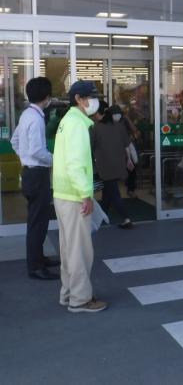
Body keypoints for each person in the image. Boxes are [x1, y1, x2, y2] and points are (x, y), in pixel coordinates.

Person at [53, 80, 107, 313]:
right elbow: (75, 164)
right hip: (75, 196)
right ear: (78, 99)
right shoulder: (76, 124)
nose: (94, 101)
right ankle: (81, 299)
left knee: (69, 249)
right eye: (90, 97)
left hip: (64, 194)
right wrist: (86, 195)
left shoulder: (68, 121)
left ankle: (69, 293)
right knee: (80, 251)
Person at [10, 77, 60, 280]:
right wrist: (55, 160)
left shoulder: (26, 115)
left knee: (37, 220)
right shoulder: (37, 118)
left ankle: (39, 258)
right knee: (38, 222)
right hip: (37, 174)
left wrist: (24, 159)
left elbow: (14, 141)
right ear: (47, 97)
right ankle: (35, 267)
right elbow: (38, 150)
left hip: (30, 173)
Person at [93, 105, 134, 229]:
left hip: (105, 165)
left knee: (113, 192)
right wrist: (129, 160)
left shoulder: (96, 128)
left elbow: (91, 146)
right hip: (119, 162)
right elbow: (127, 144)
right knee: (108, 192)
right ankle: (102, 218)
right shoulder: (119, 126)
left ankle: (126, 218)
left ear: (98, 114)